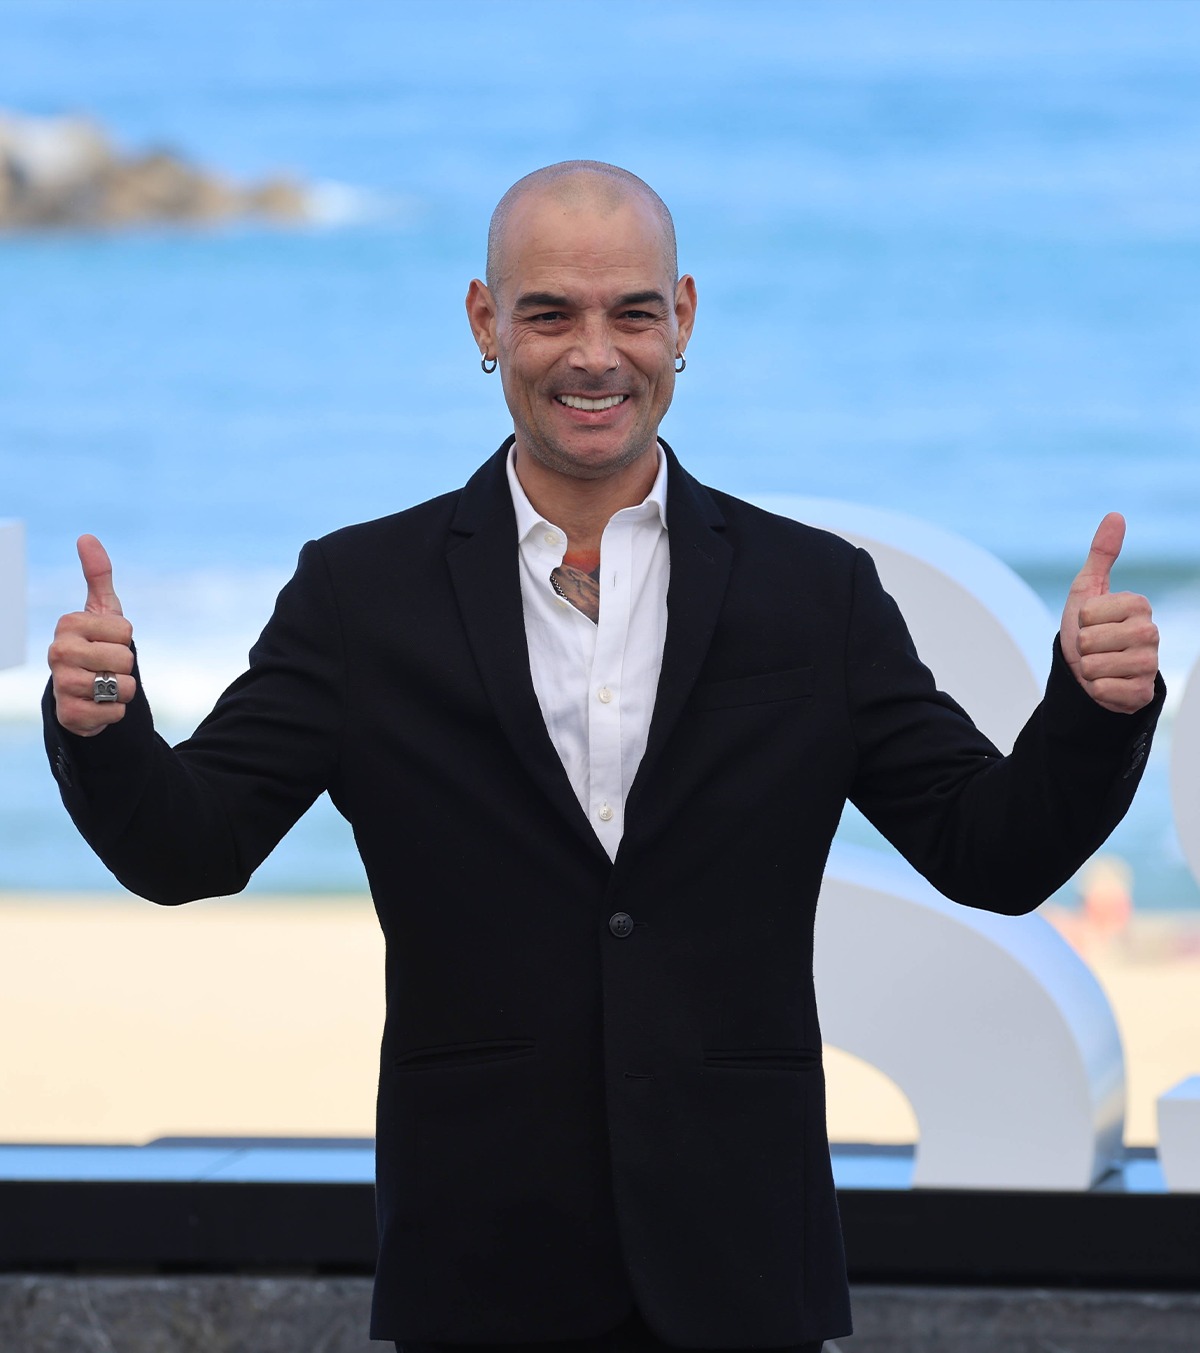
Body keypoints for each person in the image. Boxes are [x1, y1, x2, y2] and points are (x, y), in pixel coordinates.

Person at [45, 161, 1163, 1353]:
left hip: (741, 1263)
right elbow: (192, 847)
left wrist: (1093, 708)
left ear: (683, 317)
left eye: (632, 313)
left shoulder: (816, 593)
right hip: (477, 1260)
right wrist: (105, 724)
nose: (595, 355)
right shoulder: (360, 596)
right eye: (549, 314)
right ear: (485, 323)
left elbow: (988, 850)